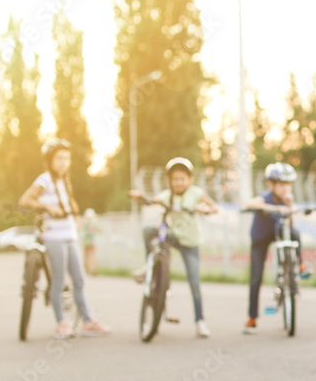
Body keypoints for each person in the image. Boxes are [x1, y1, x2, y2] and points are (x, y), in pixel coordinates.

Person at [19, 139, 112, 339]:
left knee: (79, 279)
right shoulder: (44, 179)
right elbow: (25, 200)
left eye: (66, 158)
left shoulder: (64, 182)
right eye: (59, 158)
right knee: (59, 281)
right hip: (54, 236)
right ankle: (62, 322)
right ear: (50, 160)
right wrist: (47, 207)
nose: (63, 162)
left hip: (69, 236)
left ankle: (87, 321)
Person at [129, 157, 219, 338]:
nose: (178, 182)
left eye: (182, 179)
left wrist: (204, 210)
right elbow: (152, 201)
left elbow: (213, 207)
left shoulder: (195, 193)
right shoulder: (167, 195)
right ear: (169, 180)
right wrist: (141, 198)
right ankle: (150, 265)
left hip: (190, 241)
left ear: (189, 180)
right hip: (173, 236)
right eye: (175, 179)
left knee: (194, 281)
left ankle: (200, 321)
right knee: (149, 231)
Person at [241, 162, 305, 334]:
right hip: (260, 238)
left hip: (279, 233)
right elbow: (249, 204)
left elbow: (292, 224)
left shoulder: (288, 199)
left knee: (296, 233)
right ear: (271, 184)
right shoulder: (265, 197)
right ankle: (252, 318)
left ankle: (297, 266)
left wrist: (289, 208)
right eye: (282, 184)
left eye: (288, 184)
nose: (285, 188)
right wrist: (276, 208)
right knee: (256, 277)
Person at [81, 208, 101, 276]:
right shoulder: (95, 221)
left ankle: (87, 270)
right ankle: (94, 269)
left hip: (86, 239)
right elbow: (100, 230)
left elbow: (80, 228)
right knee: (93, 255)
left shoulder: (85, 221)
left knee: (86, 255)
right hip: (93, 239)